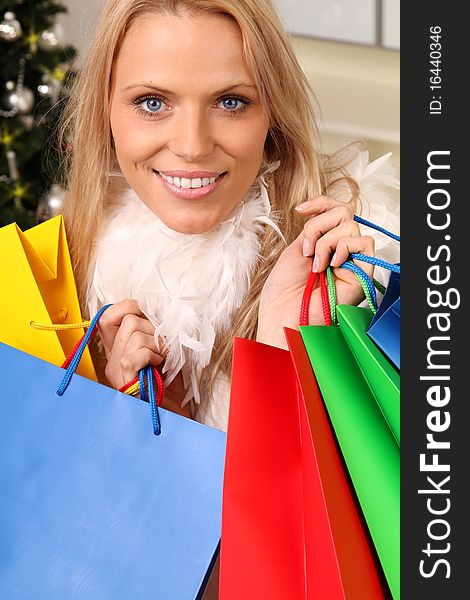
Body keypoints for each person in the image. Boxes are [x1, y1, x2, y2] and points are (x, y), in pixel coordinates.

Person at [58, 0, 399, 431]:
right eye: (151, 102)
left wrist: (284, 345)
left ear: (271, 113)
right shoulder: (61, 274)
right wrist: (159, 423)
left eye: (231, 102)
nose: (192, 145)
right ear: (104, 111)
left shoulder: (362, 273)